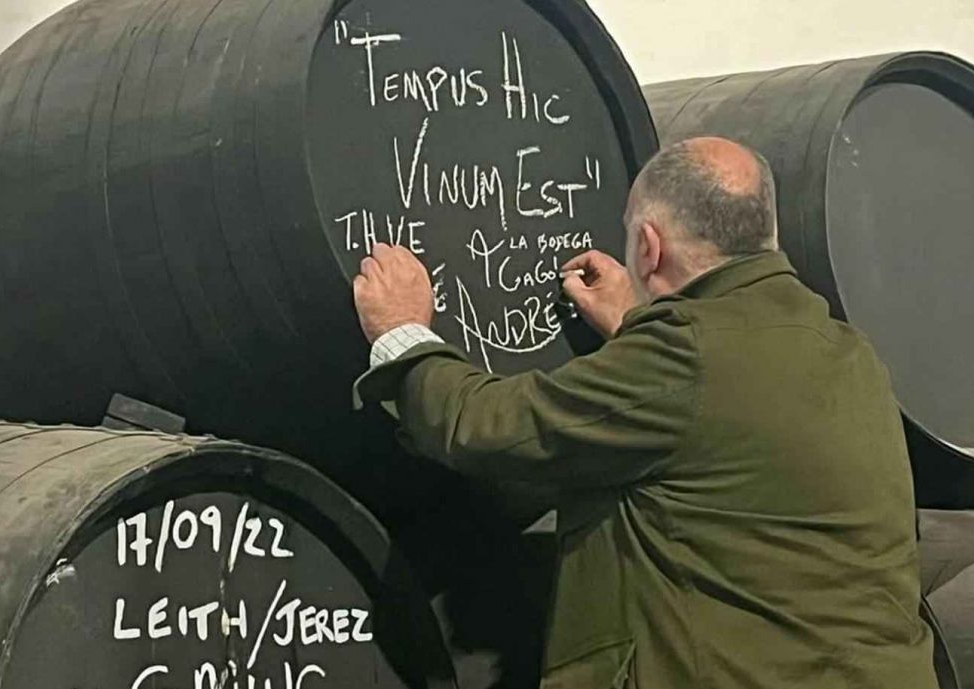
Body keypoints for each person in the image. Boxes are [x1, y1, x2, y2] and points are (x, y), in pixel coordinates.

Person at [351, 137, 938, 689]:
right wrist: (637, 324)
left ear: (649, 246)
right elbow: (715, 426)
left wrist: (404, 334)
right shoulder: (847, 352)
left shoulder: (686, 358)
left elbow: (483, 424)